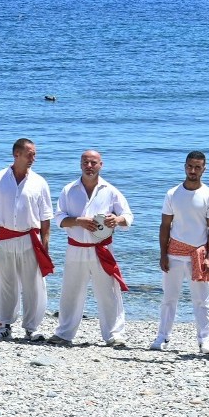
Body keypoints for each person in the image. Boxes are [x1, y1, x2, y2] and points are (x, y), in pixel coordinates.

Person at [49, 149, 133, 347]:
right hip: (76, 248)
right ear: (80, 164)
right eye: (86, 162)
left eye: (93, 163)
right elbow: (59, 218)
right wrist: (78, 221)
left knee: (109, 292)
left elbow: (128, 216)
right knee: (71, 291)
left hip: (101, 249)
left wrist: (117, 219)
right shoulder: (68, 190)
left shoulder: (111, 191)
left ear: (101, 165)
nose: (89, 166)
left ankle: (114, 334)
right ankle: (64, 333)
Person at [0, 137, 54, 341]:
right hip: (4, 238)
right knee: (5, 283)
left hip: (30, 239)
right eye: (30, 154)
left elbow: (45, 220)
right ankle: (4, 325)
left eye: (34, 154)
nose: (33, 158)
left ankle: (32, 327)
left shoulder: (39, 183)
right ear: (17, 154)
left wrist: (45, 247)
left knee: (33, 284)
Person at [151, 151, 209, 354]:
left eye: (197, 167)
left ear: (204, 169)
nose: (193, 171)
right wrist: (163, 254)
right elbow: (165, 226)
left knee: (201, 300)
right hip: (174, 253)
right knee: (169, 298)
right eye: (190, 166)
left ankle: (204, 340)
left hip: (198, 254)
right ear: (184, 167)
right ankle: (162, 336)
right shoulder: (172, 194)